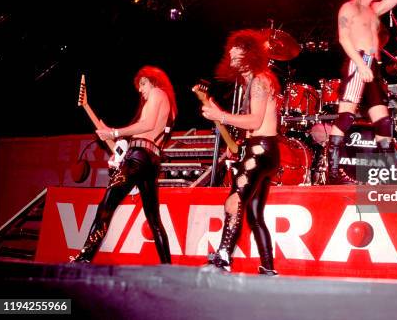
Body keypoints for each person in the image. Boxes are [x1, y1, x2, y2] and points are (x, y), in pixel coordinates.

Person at [71, 66, 177, 264]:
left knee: (106, 206)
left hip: (138, 157)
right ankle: (168, 266)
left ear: (154, 81)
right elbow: (149, 131)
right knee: (154, 219)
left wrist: (114, 133)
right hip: (151, 160)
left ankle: (84, 259)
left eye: (143, 84)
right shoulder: (168, 105)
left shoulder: (156, 93)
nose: (140, 90)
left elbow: (147, 125)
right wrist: (109, 131)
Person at [201, 29, 281, 275]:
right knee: (255, 214)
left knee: (234, 200)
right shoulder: (255, 81)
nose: (232, 52)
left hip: (260, 149)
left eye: (238, 49)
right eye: (232, 49)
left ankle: (223, 257)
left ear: (251, 53)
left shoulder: (259, 80)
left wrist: (221, 116)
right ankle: (268, 266)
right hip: (265, 149)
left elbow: (255, 121)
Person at [327, 0, 397, 184]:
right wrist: (360, 64)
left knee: (383, 122)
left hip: (373, 63)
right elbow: (344, 38)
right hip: (358, 60)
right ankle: (332, 170)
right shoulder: (348, 8)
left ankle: (393, 175)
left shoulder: (374, 9)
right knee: (346, 115)